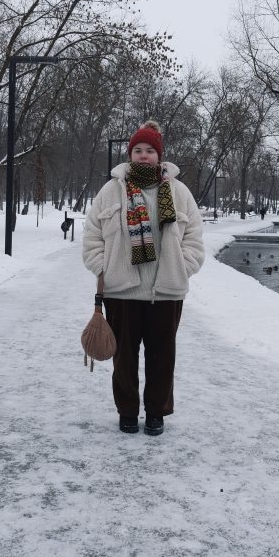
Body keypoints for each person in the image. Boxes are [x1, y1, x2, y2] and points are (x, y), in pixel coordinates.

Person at [82, 120, 204, 436]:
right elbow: (92, 234)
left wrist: (184, 266)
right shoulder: (111, 191)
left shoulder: (178, 192)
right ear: (130, 154)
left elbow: (194, 236)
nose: (144, 155)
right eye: (138, 150)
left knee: (162, 357)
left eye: (150, 150)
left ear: (159, 155)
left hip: (166, 292)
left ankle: (156, 413)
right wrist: (103, 268)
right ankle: (127, 411)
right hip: (122, 291)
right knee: (124, 358)